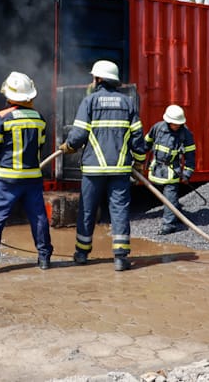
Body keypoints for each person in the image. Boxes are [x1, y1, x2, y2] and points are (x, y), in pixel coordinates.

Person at [59, 60, 147, 271]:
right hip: (120, 169)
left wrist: (69, 146)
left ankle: (82, 253)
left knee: (87, 210)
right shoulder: (128, 103)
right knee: (119, 211)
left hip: (93, 169)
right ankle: (120, 258)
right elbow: (137, 138)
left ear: (98, 79)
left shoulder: (89, 101)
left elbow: (79, 134)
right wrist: (140, 162)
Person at [0, 72, 53, 274]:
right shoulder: (40, 119)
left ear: (9, 94)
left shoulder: (2, 117)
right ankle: (44, 258)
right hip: (32, 177)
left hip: (7, 178)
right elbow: (41, 145)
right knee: (38, 217)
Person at [143, 104, 196, 235]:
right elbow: (146, 143)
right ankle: (176, 214)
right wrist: (137, 157)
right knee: (167, 196)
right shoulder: (157, 128)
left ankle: (169, 225)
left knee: (170, 196)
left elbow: (190, 155)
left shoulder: (185, 134)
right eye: (174, 123)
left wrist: (187, 173)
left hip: (172, 170)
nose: (176, 125)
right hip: (157, 168)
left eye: (178, 123)